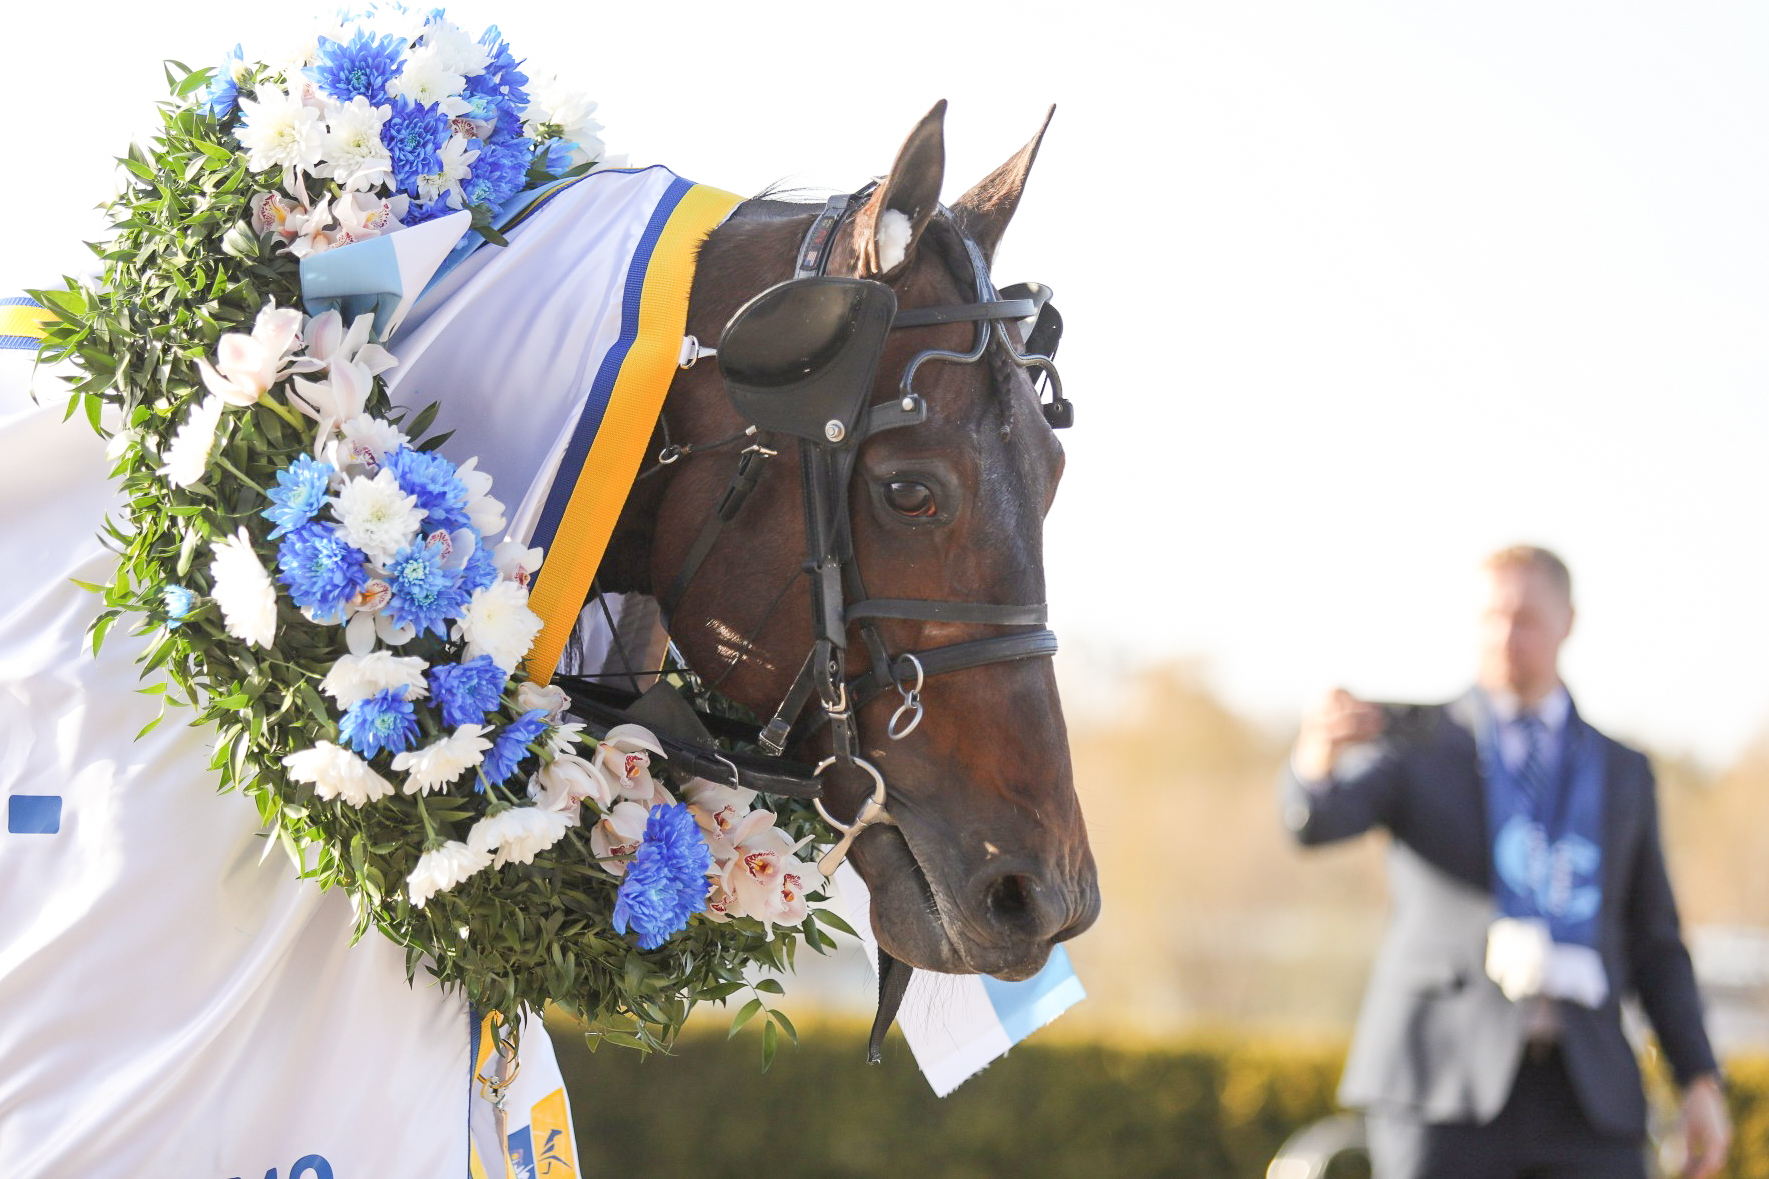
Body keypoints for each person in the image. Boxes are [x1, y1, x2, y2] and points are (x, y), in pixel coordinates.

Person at [1283, 545, 1730, 1179]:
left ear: (1567, 622)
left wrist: (1699, 1079)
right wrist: (1314, 757)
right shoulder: (1422, 743)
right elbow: (1314, 822)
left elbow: (1655, 941)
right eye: (1489, 617)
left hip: (1588, 1097)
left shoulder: (1620, 771)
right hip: (1441, 1087)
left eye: (1523, 617)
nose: (1503, 635)